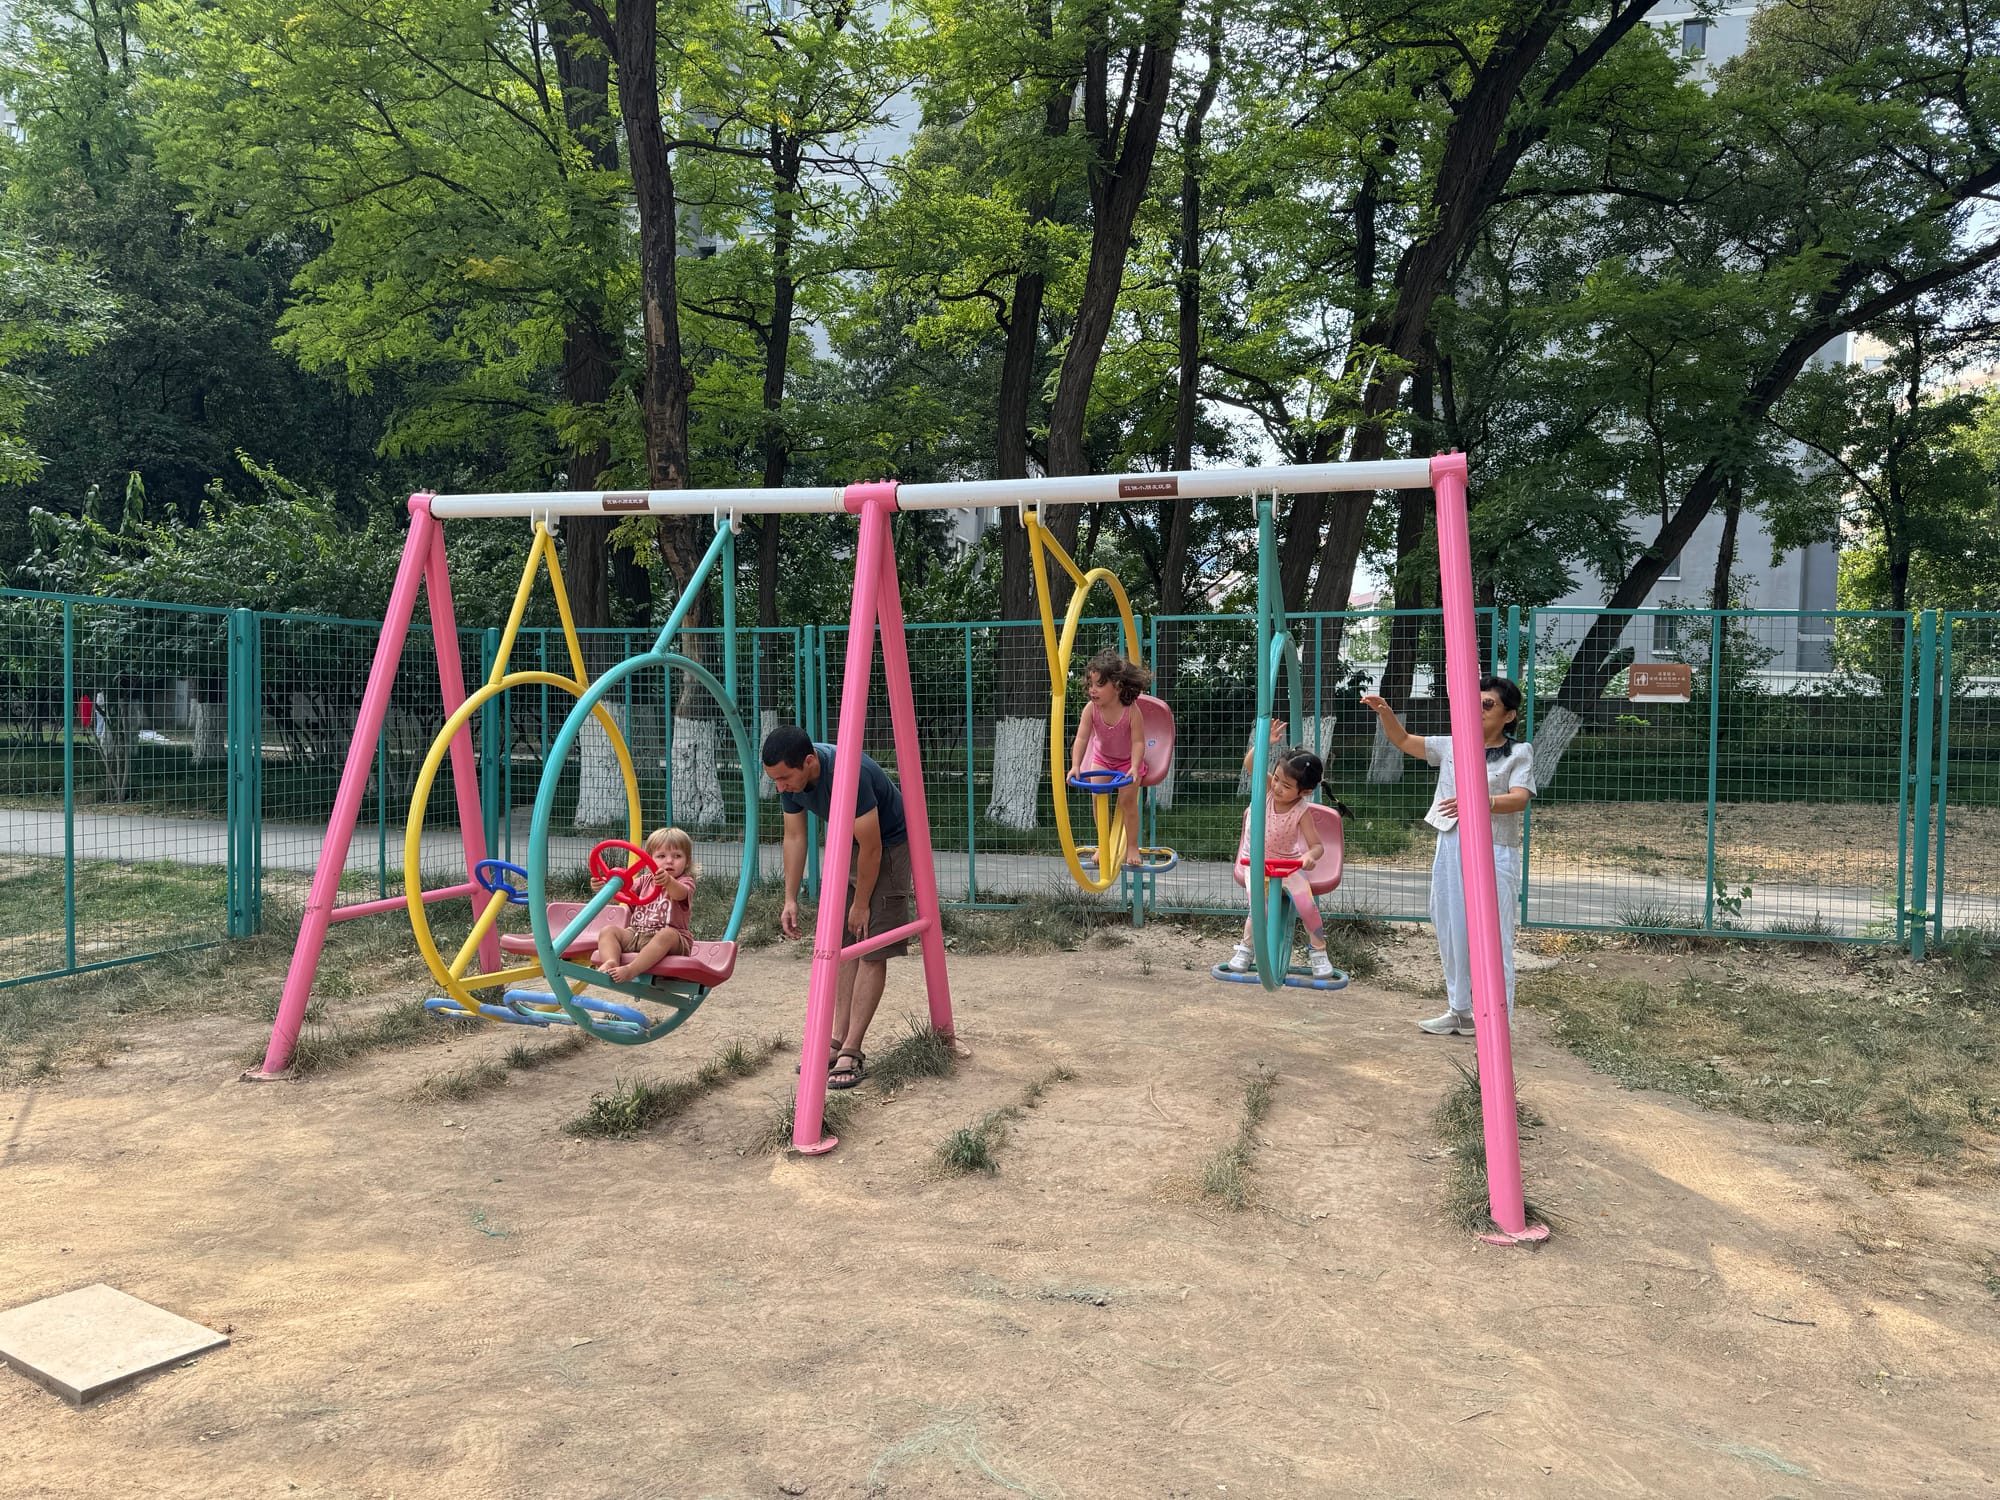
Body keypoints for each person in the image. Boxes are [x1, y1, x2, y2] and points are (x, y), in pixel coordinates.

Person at [1361, 677, 1535, 1036]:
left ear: (1509, 715)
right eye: (1475, 703)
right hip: (1451, 842)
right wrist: (1386, 713)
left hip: (1494, 847)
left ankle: (1496, 1020)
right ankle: (1461, 1010)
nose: (1478, 710)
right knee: (1450, 924)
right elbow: (1404, 741)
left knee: (1493, 933)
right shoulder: (1454, 745)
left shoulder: (1519, 753)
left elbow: (1519, 798)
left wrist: (1480, 802)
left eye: (1488, 704)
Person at [763, 725, 914, 1089]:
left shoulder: (851, 774)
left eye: (784, 778)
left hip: (888, 846)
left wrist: (861, 903)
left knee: (872, 947)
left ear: (810, 762)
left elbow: (873, 847)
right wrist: (790, 897)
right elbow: (795, 836)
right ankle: (836, 1038)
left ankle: (852, 1049)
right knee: (843, 945)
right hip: (849, 844)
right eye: (775, 780)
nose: (780, 787)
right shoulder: (791, 782)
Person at [1226, 726, 1339, 981]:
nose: (1277, 787)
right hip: (1256, 863)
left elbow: (1317, 845)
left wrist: (1310, 857)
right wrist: (1264, 742)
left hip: (1288, 864)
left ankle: (1318, 951)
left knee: (1307, 907)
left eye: (1286, 786)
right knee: (1259, 911)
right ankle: (1247, 948)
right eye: (1276, 778)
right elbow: (1251, 764)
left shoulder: (1302, 811)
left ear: (1305, 792)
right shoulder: (1265, 789)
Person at [1067, 651, 1150, 869]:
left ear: (1118, 686)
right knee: (1098, 798)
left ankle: (1132, 845)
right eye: (1091, 684)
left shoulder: (1131, 711)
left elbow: (1138, 743)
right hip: (1102, 759)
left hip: (1127, 762)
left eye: (1100, 684)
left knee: (1127, 802)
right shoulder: (1091, 709)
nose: (1093, 690)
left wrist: (1133, 767)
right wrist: (1075, 765)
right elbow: (1082, 737)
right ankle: (1103, 844)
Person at [591, 827, 697, 984]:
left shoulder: (684, 881)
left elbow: (680, 893)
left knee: (667, 934)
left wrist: (668, 882)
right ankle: (611, 961)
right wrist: (605, 888)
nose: (669, 861)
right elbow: (623, 895)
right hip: (637, 934)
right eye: (661, 856)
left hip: (673, 941)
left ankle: (631, 970)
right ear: (650, 859)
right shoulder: (644, 881)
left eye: (677, 856)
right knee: (609, 931)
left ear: (687, 861)